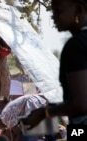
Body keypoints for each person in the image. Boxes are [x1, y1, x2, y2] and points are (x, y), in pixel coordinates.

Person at [21, 0, 87, 129]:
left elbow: (80, 104)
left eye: (58, 10)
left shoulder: (76, 46)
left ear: (79, 9)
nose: (53, 16)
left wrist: (44, 113)